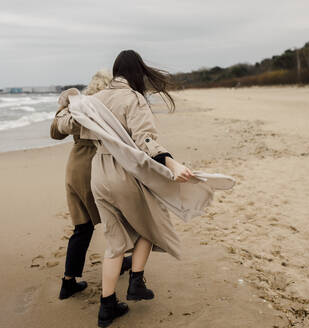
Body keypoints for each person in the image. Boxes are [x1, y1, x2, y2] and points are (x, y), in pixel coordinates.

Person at [77, 50, 194, 327]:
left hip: (98, 174)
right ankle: (136, 283)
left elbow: (67, 123)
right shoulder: (134, 98)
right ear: (136, 72)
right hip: (124, 171)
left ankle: (106, 308)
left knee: (115, 242)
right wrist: (171, 163)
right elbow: (145, 140)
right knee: (150, 225)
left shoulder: (94, 100)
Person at [50, 70, 132, 300]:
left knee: (82, 227)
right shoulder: (107, 107)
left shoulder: (78, 106)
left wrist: (63, 105)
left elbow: (55, 133)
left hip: (74, 167)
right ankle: (121, 264)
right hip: (97, 166)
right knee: (116, 219)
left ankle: (68, 281)